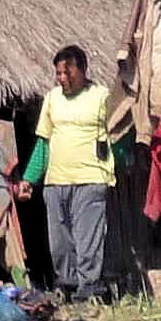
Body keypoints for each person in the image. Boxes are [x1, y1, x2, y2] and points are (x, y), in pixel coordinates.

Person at [15, 45, 117, 303]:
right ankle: (68, 286)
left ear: (82, 70)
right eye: (58, 73)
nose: (62, 78)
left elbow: (120, 134)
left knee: (87, 239)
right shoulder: (52, 99)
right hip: (55, 182)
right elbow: (43, 142)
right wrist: (29, 178)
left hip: (90, 179)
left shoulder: (102, 97)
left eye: (67, 73)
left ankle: (89, 289)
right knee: (60, 242)